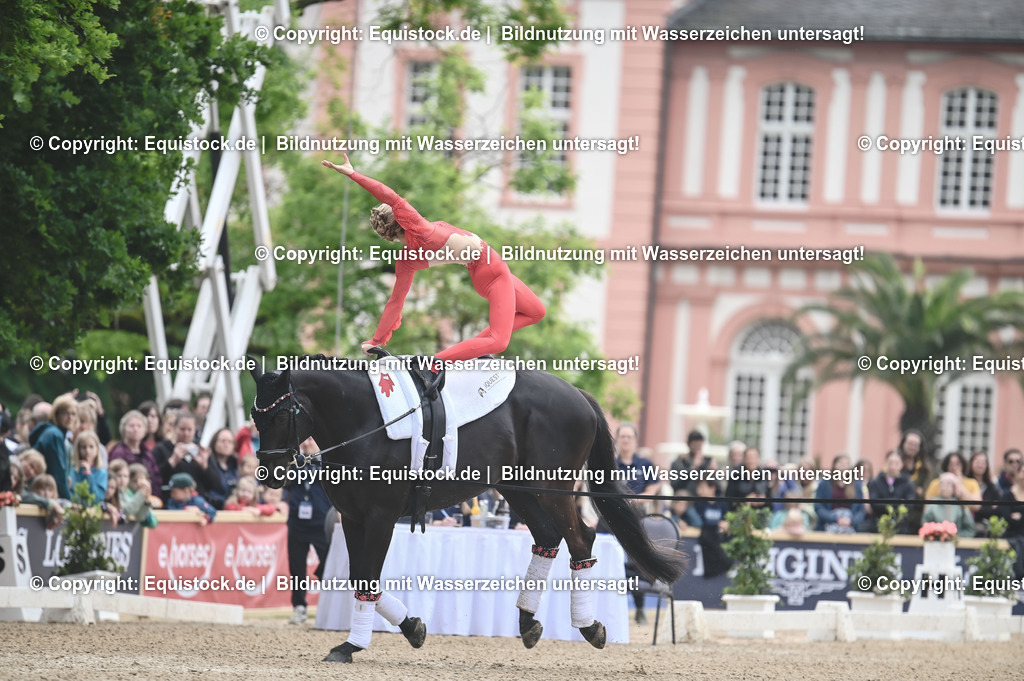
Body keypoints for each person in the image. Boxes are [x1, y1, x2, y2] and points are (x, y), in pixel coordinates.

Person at [323, 155, 546, 364]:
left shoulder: (406, 260)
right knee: (499, 341)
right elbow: (387, 194)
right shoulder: (421, 229)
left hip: (483, 274)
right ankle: (434, 362)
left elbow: (395, 302)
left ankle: (474, 350)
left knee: (536, 311)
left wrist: (377, 340)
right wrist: (353, 174)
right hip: (494, 272)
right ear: (401, 219)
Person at [286, 437, 332, 625]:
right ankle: (299, 607)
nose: (306, 444)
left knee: (328, 565)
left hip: (321, 521)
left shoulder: (328, 463)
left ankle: (330, 605)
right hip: (297, 521)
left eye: (311, 440)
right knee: (296, 567)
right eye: (303, 441)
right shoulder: (295, 463)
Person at [28, 395, 77, 499]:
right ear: (56, 415)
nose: (70, 418)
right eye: (65, 413)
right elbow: (58, 474)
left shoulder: (56, 434)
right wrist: (69, 501)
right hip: (41, 492)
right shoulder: (54, 435)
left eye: (73, 414)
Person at [108, 410, 163, 494]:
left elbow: (156, 479)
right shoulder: (118, 453)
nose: (135, 429)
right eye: (131, 426)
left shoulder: (147, 454)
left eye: (139, 426)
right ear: (123, 429)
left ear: (145, 431)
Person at [866, 450, 916, 533]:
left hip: (900, 527)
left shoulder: (908, 484)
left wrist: (886, 503)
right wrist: (898, 502)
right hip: (877, 525)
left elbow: (909, 505)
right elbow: (874, 503)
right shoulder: (875, 482)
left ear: (901, 465)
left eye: (896, 463)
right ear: (886, 463)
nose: (893, 466)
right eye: (890, 463)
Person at [814, 453, 865, 533]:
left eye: (847, 464)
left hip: (850, 528)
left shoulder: (856, 485)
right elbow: (819, 507)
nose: (844, 466)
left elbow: (861, 510)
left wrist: (851, 521)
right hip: (827, 527)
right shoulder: (825, 483)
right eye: (841, 463)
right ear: (834, 465)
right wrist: (835, 519)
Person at [613, 423, 660, 499]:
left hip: (639, 509)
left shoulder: (646, 464)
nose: (626, 440)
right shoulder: (610, 464)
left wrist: (633, 501)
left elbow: (651, 492)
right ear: (617, 439)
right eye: (622, 437)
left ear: (635, 439)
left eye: (629, 437)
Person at [70, 430, 107, 502]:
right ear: (78, 450)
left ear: (97, 450)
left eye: (91, 447)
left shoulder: (101, 473)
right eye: (83, 447)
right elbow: (72, 493)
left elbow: (97, 498)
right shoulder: (73, 470)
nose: (87, 451)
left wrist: (88, 474)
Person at [967, 450, 1002, 526]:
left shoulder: (992, 487)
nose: (980, 465)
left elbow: (997, 510)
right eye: (977, 462)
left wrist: (977, 508)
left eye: (983, 462)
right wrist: (986, 508)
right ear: (971, 463)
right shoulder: (965, 484)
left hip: (987, 526)